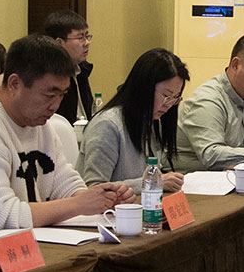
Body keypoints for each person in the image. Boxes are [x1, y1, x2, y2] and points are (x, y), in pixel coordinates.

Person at [0, 35, 123, 232]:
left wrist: (101, 199)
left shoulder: (38, 123)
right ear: (14, 83)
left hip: (34, 243)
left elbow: (64, 183)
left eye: (62, 95)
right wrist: (78, 205)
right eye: (49, 95)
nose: (55, 105)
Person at [79, 48, 188, 192]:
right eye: (166, 96)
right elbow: (94, 189)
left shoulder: (152, 121)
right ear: (144, 88)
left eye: (175, 98)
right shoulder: (107, 125)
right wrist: (151, 182)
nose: (169, 105)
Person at [174, 34, 244, 171]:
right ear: (236, 65)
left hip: (234, 176)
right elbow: (212, 155)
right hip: (193, 179)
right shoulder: (207, 100)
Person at [42, 10, 97, 126]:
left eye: (87, 36)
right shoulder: (49, 75)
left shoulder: (82, 70)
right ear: (59, 43)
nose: (87, 43)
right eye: (80, 37)